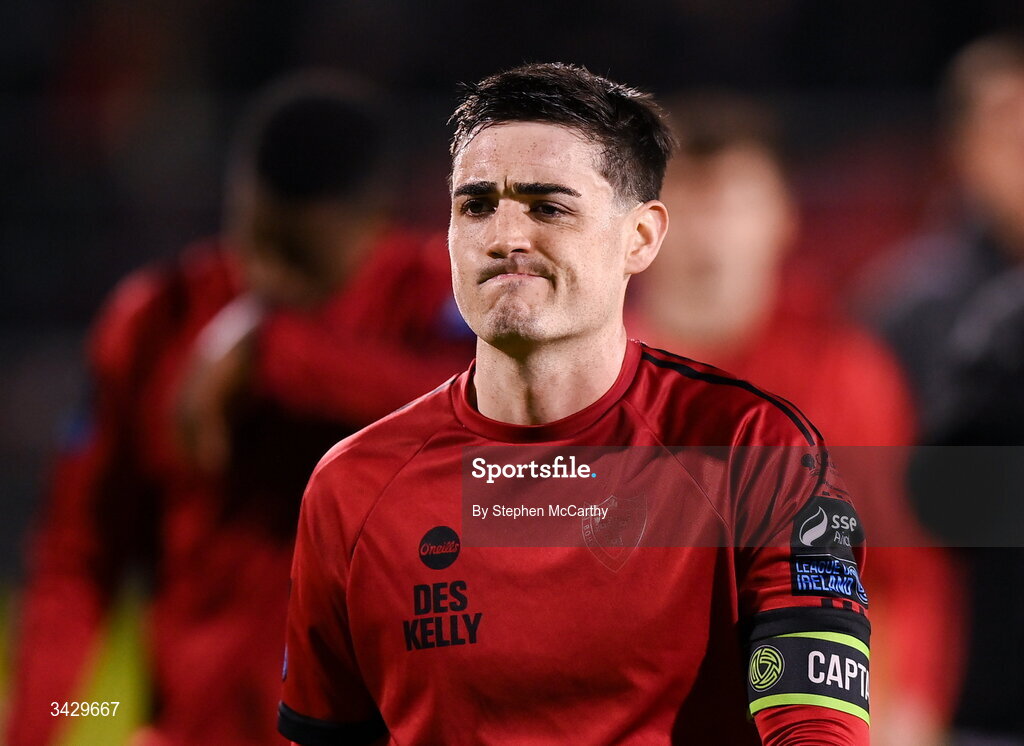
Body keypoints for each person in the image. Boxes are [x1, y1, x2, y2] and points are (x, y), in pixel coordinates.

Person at [279, 63, 871, 746]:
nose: (504, 236)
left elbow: (817, 730)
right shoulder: (352, 485)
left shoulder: (757, 451)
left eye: (547, 207)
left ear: (641, 238)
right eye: (476, 205)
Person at [7, 74, 470, 746]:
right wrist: (35, 733)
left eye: (301, 258)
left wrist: (282, 356)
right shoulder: (156, 321)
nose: (272, 278)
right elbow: (78, 562)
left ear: (373, 225)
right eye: (257, 243)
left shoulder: (434, 303)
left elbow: (512, 430)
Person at [630, 94, 961, 744]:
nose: (710, 233)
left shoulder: (851, 376)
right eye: (688, 205)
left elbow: (906, 576)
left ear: (781, 217)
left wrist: (909, 717)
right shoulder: (573, 387)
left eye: (735, 203)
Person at [859, 31, 1024, 745]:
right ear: (959, 146)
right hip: (960, 699)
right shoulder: (904, 309)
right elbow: (874, 509)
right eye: (1004, 118)